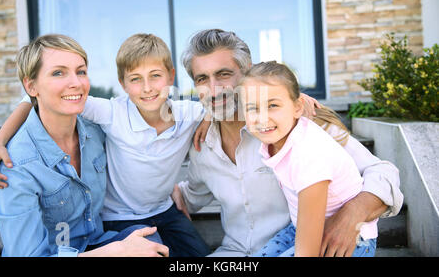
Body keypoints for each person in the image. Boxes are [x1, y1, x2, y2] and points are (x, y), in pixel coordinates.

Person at [171, 28, 403, 256]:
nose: (213, 91)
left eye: (223, 74)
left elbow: (382, 171)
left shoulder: (299, 124)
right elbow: (188, 196)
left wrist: (352, 215)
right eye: (202, 79)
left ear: (247, 74)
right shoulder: (203, 145)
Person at [0, 34, 210, 257]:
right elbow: (30, 101)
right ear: (31, 85)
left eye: (81, 71)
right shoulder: (15, 165)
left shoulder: (93, 131)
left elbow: (146, 154)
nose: (75, 82)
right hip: (70, 249)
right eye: (58, 72)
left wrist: (165, 182)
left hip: (97, 240)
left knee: (154, 248)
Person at [240, 61, 378, 257]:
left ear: (297, 107)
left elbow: (308, 253)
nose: (262, 118)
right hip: (301, 227)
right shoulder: (276, 140)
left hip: (350, 241)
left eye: (273, 105)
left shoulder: (309, 153)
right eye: (252, 108)